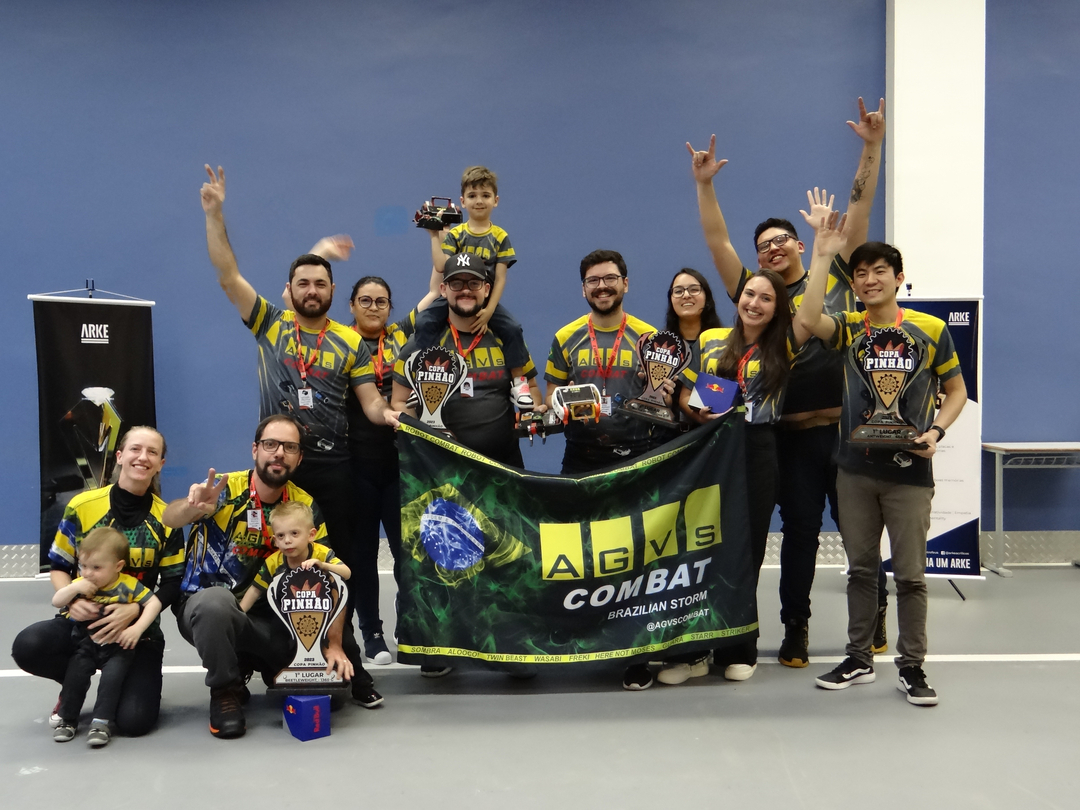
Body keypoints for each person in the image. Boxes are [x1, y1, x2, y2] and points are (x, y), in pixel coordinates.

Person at [686, 97, 887, 667]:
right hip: (791, 437)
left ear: (802, 244)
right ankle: (795, 627)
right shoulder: (759, 298)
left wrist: (872, 147)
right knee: (800, 532)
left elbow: (859, 207)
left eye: (781, 240)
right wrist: (704, 185)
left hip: (848, 431)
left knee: (860, 533)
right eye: (763, 247)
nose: (772, 248)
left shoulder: (837, 269)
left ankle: (875, 616)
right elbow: (717, 243)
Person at [199, 167, 399, 666]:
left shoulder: (350, 341)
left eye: (321, 283)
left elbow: (370, 402)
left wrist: (392, 415)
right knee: (273, 556)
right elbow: (227, 276)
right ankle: (270, 647)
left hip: (335, 469)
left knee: (344, 560)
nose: (312, 289)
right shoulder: (270, 323)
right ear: (290, 290)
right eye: (303, 283)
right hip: (282, 466)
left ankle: (350, 648)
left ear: (333, 291)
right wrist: (215, 214)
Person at [795, 211, 967, 706]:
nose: (870, 280)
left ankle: (912, 666)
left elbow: (956, 390)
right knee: (861, 571)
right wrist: (823, 254)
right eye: (862, 273)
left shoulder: (931, 329)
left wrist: (936, 430)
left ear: (899, 277)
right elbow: (807, 319)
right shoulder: (849, 327)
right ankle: (859, 658)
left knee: (911, 575)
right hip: (853, 470)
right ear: (855, 284)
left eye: (879, 271)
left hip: (909, 473)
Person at [163, 414, 379, 740]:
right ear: (255, 450)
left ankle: (265, 664)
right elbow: (170, 518)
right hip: (216, 611)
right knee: (215, 605)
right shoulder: (223, 489)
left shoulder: (304, 505)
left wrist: (334, 643)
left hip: (279, 619)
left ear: (299, 458)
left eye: (289, 447)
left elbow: (329, 583)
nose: (279, 453)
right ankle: (225, 690)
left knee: (332, 696)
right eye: (270, 444)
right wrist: (192, 507)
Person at [659, 268, 813, 686]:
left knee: (745, 551)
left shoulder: (784, 343)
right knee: (699, 549)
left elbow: (810, 311)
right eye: (749, 294)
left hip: (756, 450)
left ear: (778, 308)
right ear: (737, 298)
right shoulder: (711, 339)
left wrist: (822, 253)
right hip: (711, 446)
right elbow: (688, 393)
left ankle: (739, 647)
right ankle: (693, 652)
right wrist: (695, 410)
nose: (754, 303)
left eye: (766, 298)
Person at [544, 249, 669, 691]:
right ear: (583, 289)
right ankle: (587, 641)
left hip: (637, 457)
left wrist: (663, 390)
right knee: (581, 557)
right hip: (582, 457)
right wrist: (558, 405)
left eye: (610, 278)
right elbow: (551, 393)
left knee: (635, 562)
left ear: (625, 284)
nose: (602, 287)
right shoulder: (566, 337)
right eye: (594, 281)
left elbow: (666, 398)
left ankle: (635, 655)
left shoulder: (649, 337)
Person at [12, 426, 184, 738]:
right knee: (29, 645)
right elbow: (59, 565)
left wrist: (135, 613)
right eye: (135, 449)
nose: (142, 457)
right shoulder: (82, 506)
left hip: (135, 633)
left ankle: (117, 685)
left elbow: (173, 582)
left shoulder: (167, 519)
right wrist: (74, 600)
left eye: (152, 452)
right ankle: (72, 682)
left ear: (160, 464)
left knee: (134, 722)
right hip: (83, 624)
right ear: (119, 456)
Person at [345, 275, 438, 666]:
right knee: (363, 556)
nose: (373, 307)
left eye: (381, 301)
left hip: (401, 466)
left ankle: (409, 623)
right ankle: (372, 633)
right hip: (357, 466)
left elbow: (435, 288)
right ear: (352, 305)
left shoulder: (402, 334)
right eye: (365, 300)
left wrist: (439, 242)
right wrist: (323, 250)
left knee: (408, 554)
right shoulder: (339, 341)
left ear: (390, 307)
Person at [391, 252, 545, 470]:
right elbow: (399, 401)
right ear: (443, 289)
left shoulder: (507, 339)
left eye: (474, 283)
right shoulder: (420, 343)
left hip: (504, 470)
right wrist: (423, 439)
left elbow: (532, 388)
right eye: (456, 283)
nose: (465, 290)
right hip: (441, 470)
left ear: (487, 289)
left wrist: (532, 410)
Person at [416, 165, 533, 407]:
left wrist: (489, 310)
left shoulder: (500, 237)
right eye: (472, 195)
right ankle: (420, 378)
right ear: (462, 201)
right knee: (424, 322)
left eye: (485, 195)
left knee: (512, 328)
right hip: (454, 299)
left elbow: (500, 278)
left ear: (496, 200)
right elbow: (441, 265)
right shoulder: (456, 234)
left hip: (485, 301)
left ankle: (519, 382)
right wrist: (434, 237)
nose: (479, 201)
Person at [49, 527, 163, 746]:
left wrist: (137, 629)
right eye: (83, 566)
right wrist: (73, 591)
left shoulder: (128, 585)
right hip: (86, 644)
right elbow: (57, 601)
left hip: (117, 648)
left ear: (118, 566)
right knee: (75, 677)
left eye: (96, 568)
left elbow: (154, 603)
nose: (88, 573)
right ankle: (68, 719)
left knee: (111, 682)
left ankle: (101, 722)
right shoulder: (80, 583)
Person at [239, 501, 352, 611]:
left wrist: (323, 565)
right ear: (275, 541)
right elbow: (255, 590)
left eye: (294, 533)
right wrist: (238, 614)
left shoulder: (322, 553)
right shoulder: (272, 562)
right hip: (286, 614)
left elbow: (346, 573)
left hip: (320, 612)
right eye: (281, 535)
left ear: (311, 535)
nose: (287, 540)